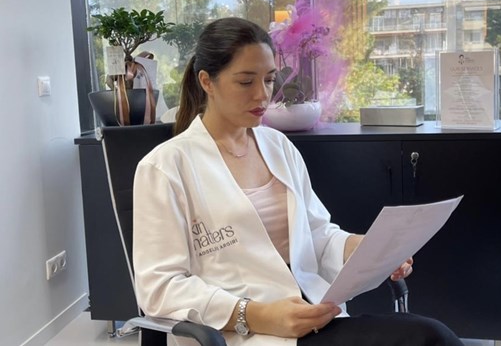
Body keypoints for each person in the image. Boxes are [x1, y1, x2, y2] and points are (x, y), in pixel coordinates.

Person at [133, 17, 464, 346]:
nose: (262, 95)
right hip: (243, 334)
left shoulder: (278, 147)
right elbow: (160, 287)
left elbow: (317, 235)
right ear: (207, 81)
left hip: (313, 315)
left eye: (269, 80)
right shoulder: (166, 167)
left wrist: (364, 249)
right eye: (246, 82)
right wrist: (257, 315)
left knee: (427, 335)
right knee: (426, 337)